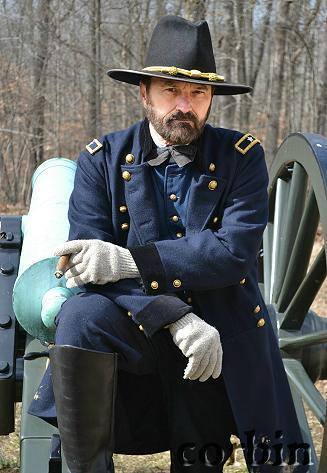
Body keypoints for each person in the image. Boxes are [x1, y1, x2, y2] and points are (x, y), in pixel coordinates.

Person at [28, 15, 310, 473]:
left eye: (198, 93)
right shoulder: (101, 160)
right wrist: (175, 317)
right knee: (81, 314)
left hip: (223, 331)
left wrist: (126, 260)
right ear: (144, 94)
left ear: (212, 98)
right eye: (171, 91)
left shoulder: (243, 157)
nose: (185, 105)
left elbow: (231, 253)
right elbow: (87, 268)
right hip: (133, 332)